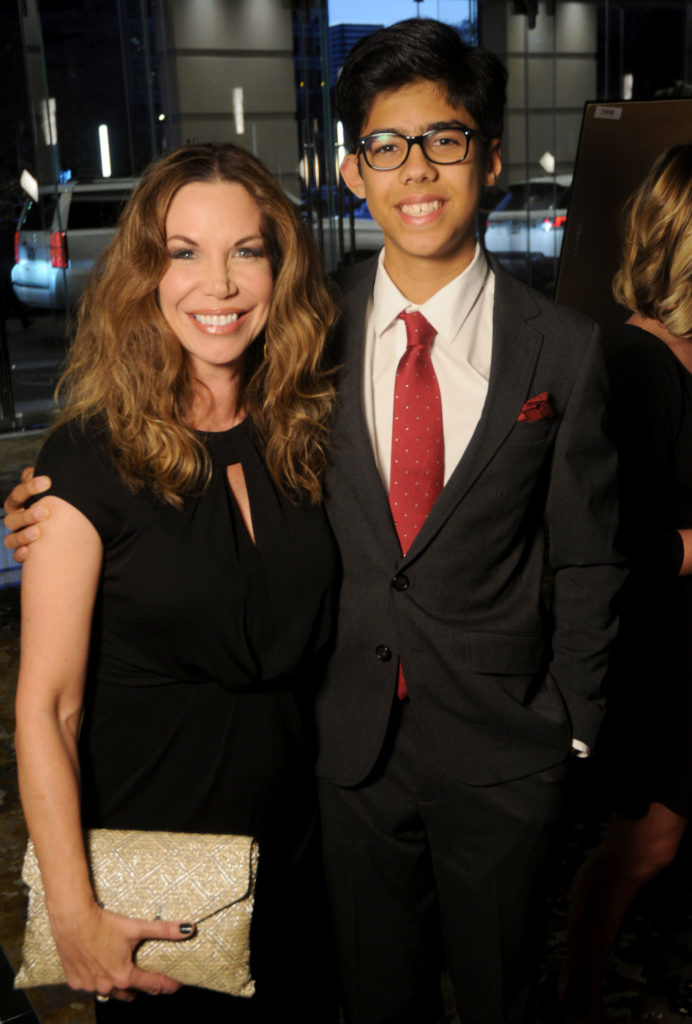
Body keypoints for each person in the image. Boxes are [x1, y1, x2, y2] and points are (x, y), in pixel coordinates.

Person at [5, 19, 625, 1024]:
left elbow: (592, 554)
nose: (413, 169)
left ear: (490, 157)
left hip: (500, 754)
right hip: (338, 761)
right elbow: (149, 459)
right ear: (351, 170)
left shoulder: (559, 350)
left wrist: (571, 731)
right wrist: (50, 500)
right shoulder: (310, 337)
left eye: (444, 139)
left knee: (501, 994)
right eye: (385, 144)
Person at [9, 142, 339, 1023]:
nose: (219, 285)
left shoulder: (310, 434)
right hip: (159, 881)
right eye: (184, 253)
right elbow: (47, 708)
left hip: (306, 859)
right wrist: (74, 912)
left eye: (247, 251)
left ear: (280, 267)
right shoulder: (86, 458)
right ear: (146, 277)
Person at [557, 142, 692, 1024]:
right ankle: (575, 992)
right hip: (661, 655)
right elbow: (601, 540)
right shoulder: (629, 367)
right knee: (646, 841)